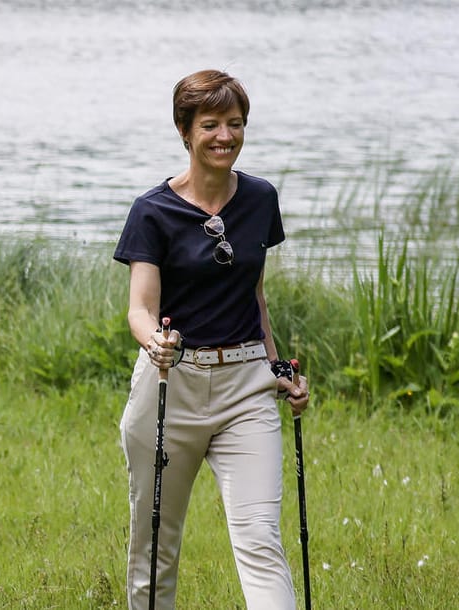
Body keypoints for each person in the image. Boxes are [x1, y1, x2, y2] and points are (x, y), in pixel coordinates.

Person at [113, 69, 310, 609]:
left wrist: (280, 372)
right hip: (169, 385)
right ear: (185, 131)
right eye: (211, 125)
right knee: (155, 550)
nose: (226, 136)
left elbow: (257, 298)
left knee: (260, 539)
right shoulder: (153, 210)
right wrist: (155, 342)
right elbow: (140, 308)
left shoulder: (260, 199)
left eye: (235, 123)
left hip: (245, 386)